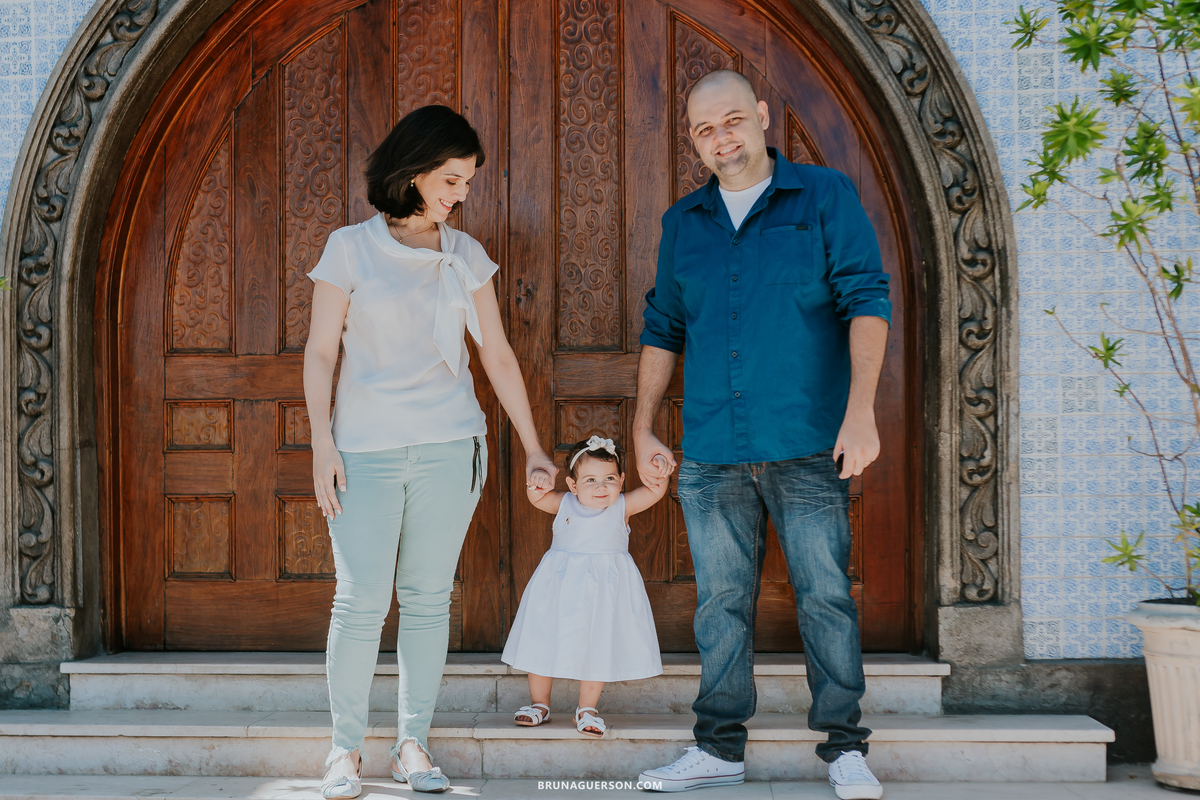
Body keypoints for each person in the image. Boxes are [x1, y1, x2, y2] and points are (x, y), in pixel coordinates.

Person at [632, 70, 891, 800]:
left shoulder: (824, 196)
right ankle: (717, 749)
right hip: (712, 450)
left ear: (763, 117)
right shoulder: (683, 222)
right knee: (719, 605)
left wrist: (862, 411)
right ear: (693, 140)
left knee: (825, 599)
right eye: (705, 129)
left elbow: (866, 298)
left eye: (733, 120)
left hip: (808, 441)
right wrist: (643, 425)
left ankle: (844, 748)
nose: (722, 138)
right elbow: (663, 327)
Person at [303, 104, 556, 798]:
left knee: (425, 600)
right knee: (358, 602)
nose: (459, 195)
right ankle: (345, 750)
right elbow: (322, 351)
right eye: (451, 179)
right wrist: (321, 441)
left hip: (451, 448)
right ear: (413, 172)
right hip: (363, 451)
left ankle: (412, 743)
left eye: (467, 183)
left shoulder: (465, 254)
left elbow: (497, 356)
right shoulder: (349, 248)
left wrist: (533, 446)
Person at [502, 436, 666, 737]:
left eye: (610, 479)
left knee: (597, 644)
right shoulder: (564, 502)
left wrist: (659, 469)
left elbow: (655, 491)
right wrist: (535, 480)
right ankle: (539, 704)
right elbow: (537, 497)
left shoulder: (622, 506)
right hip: (559, 588)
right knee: (543, 639)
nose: (601, 486)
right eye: (590, 480)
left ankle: (587, 708)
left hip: (604, 592)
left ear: (622, 480)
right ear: (573, 485)